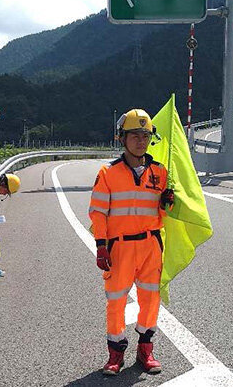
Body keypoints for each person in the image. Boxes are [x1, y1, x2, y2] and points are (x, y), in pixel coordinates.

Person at [88, 109, 174, 376]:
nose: (140, 140)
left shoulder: (160, 172)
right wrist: (101, 245)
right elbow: (98, 212)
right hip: (119, 246)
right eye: (134, 135)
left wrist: (167, 204)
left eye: (145, 135)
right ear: (122, 138)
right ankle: (115, 354)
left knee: (150, 298)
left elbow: (163, 214)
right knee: (116, 300)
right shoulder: (108, 172)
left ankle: (145, 350)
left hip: (151, 245)